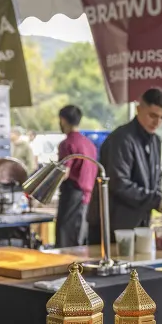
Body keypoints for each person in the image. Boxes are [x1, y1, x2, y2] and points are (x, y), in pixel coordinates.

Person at [88, 88, 162, 245]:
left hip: (140, 224)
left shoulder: (155, 141)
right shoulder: (121, 139)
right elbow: (119, 183)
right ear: (139, 109)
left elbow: (155, 177)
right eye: (152, 115)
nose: (157, 122)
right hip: (112, 226)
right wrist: (156, 201)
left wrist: (161, 201)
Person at [55, 105, 98, 248]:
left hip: (72, 195)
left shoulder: (67, 144)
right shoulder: (89, 144)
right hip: (88, 196)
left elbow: (64, 173)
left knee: (66, 240)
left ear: (62, 120)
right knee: (80, 239)